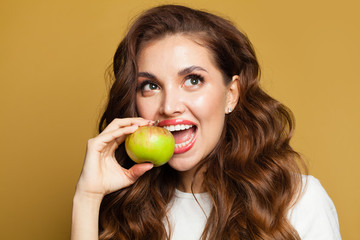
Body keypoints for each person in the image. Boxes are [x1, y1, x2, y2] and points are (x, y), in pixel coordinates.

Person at [71, 4, 341, 240]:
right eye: (151, 85)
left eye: (193, 80)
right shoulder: (128, 209)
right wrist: (88, 198)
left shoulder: (298, 201)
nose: (169, 107)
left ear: (231, 94)